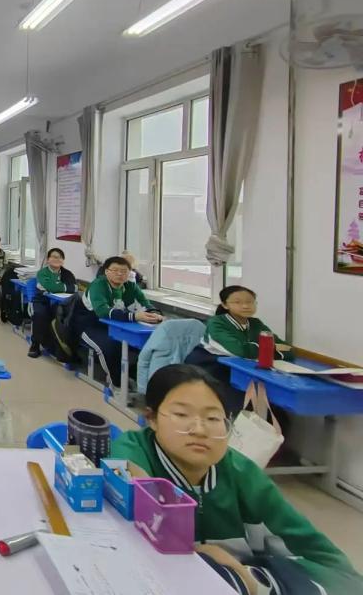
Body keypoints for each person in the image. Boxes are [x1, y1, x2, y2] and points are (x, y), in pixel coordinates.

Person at [111, 365, 362, 595]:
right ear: (152, 418)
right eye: (181, 414)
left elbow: (337, 571)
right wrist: (197, 556)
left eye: (212, 418)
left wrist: (253, 580)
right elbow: (133, 483)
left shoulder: (244, 476)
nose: (199, 430)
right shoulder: (134, 450)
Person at [185, 286, 293, 414]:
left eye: (250, 302)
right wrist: (269, 349)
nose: (245, 306)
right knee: (240, 403)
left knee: (273, 403)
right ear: (225, 305)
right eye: (238, 302)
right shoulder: (217, 323)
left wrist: (263, 349)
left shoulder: (256, 323)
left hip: (243, 367)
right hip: (211, 366)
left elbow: (288, 350)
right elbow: (240, 350)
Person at [69, 255, 161, 388]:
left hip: (117, 325)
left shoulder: (131, 286)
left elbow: (145, 304)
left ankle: (134, 375)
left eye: (124, 271)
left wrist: (155, 315)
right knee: (111, 346)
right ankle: (116, 385)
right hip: (89, 324)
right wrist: (134, 316)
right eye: (115, 270)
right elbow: (102, 311)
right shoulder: (98, 285)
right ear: (106, 271)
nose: (119, 274)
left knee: (148, 345)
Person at [29, 247, 76, 359]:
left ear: (63, 261)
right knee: (40, 315)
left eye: (59, 257)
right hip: (42, 300)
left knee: (68, 316)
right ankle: (35, 345)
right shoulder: (42, 273)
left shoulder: (67, 274)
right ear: (48, 259)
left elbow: (74, 288)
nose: (57, 259)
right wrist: (63, 287)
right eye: (54, 257)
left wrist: (56, 287)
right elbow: (50, 287)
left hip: (60, 302)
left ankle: (62, 347)